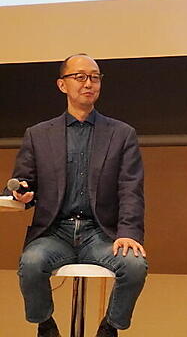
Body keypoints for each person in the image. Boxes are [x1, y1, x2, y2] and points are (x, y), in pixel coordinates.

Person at [5, 54, 147, 337]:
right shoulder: (38, 134)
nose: (88, 84)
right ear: (62, 85)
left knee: (134, 265)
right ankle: (45, 325)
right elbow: (22, 183)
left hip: (100, 233)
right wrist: (21, 194)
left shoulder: (121, 134)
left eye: (94, 77)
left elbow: (131, 188)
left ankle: (110, 327)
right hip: (54, 232)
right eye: (80, 77)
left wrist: (128, 232)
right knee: (31, 263)